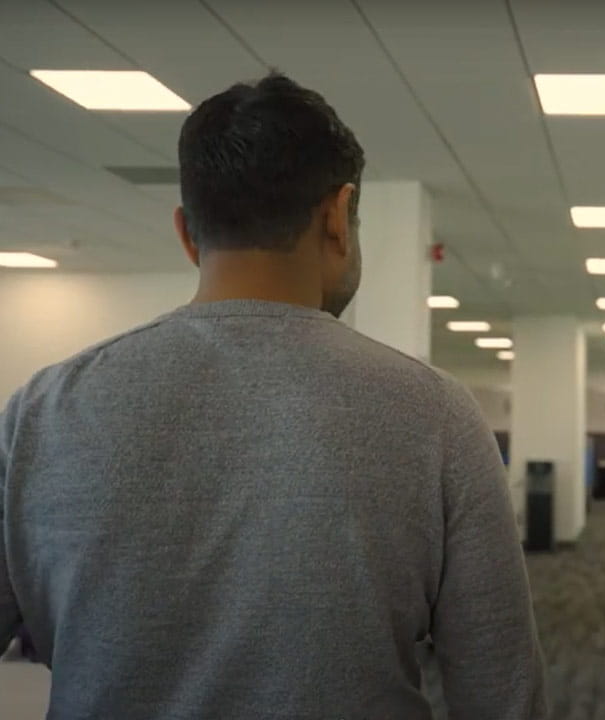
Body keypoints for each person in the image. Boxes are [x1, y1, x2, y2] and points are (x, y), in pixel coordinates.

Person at [0, 73, 546, 719]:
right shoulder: (435, 413)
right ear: (338, 216)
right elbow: (499, 686)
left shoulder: (42, 411)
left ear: (185, 231)